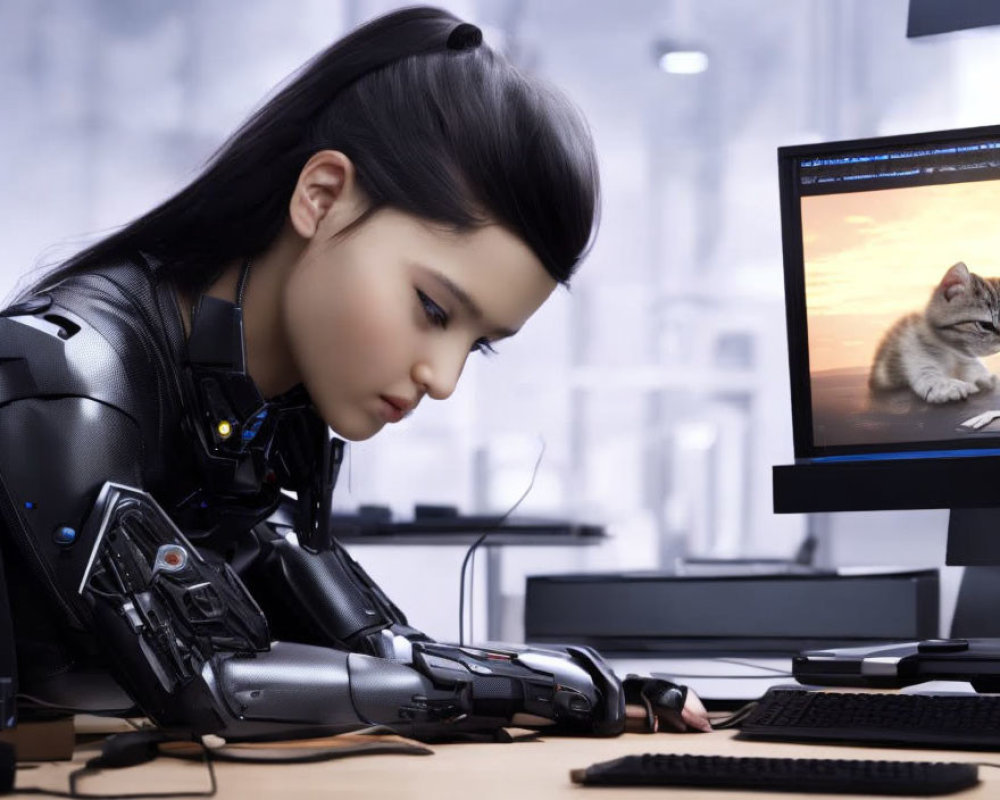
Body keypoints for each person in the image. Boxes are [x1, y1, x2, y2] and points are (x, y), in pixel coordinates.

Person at [0, 6, 709, 742]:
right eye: (434, 308)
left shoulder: (255, 423)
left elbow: (378, 653)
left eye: (480, 344)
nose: (443, 380)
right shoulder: (69, 382)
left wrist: (584, 687)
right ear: (323, 197)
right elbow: (210, 682)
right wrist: (550, 689)